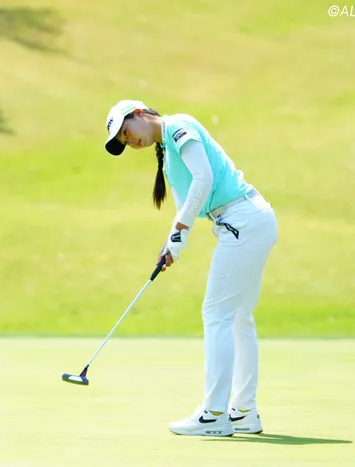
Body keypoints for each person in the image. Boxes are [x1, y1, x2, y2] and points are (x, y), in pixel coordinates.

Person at [103, 100, 279, 437]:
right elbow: (188, 204)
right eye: (124, 142)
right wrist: (173, 243)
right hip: (251, 220)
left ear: (139, 114)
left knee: (217, 315)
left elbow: (204, 178)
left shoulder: (177, 125)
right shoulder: (169, 152)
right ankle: (244, 411)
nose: (130, 142)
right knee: (238, 317)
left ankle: (214, 414)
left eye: (126, 132)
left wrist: (181, 230)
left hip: (242, 221)